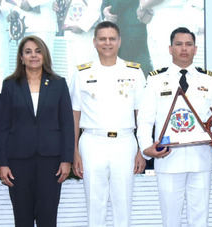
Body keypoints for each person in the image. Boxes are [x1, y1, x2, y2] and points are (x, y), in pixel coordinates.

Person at [137, 27, 212, 227]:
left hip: (200, 158)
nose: (184, 49)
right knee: (170, 219)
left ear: (195, 49)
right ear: (170, 48)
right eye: (179, 44)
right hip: (168, 158)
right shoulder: (156, 80)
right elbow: (145, 119)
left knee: (199, 218)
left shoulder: (208, 80)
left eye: (189, 44)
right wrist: (146, 148)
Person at [70, 21, 146, 227]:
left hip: (124, 142)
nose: (107, 43)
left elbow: (142, 115)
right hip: (92, 142)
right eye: (102, 39)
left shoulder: (134, 72)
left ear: (120, 41)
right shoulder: (82, 73)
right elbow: (75, 114)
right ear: (94, 42)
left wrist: (141, 150)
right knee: (95, 204)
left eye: (112, 39)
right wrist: (75, 151)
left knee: (123, 204)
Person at [0, 35, 74, 227]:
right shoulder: (10, 84)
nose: (33, 56)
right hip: (18, 161)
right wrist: (2, 163)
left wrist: (66, 160)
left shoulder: (58, 83)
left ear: (45, 55)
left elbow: (67, 125)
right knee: (22, 217)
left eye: (38, 51)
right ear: (21, 57)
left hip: (51, 161)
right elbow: (3, 126)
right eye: (28, 52)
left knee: (48, 217)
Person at [102, 0, 154, 75]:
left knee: (140, 73)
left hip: (134, 36)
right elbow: (105, 4)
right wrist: (105, 13)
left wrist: (110, 10)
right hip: (114, 36)